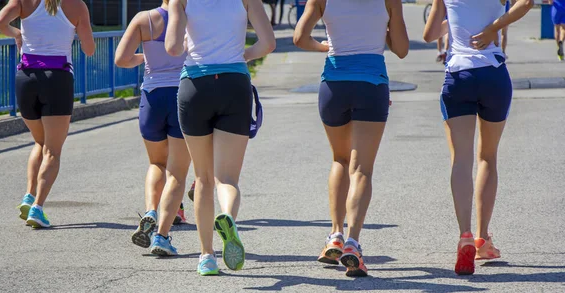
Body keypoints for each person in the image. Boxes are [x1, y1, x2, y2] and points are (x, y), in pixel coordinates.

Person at [294, 0, 408, 277]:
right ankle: (353, 244)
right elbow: (402, 49)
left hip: (334, 83)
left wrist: (325, 47)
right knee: (361, 169)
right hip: (371, 83)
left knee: (340, 160)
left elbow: (299, 38)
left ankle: (335, 235)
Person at [424, 0, 533, 275]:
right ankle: (482, 238)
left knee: (461, 160)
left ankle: (464, 235)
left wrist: (455, 22)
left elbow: (429, 35)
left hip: (458, 75)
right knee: (488, 157)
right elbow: (527, 3)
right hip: (493, 74)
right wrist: (492, 28)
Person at [166, 0, 275, 276]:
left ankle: (206, 256)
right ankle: (227, 215)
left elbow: (173, 48)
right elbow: (268, 44)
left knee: (202, 179)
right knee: (226, 178)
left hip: (195, 85)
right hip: (234, 84)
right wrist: (242, 56)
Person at [0, 0, 95, 228]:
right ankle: (37, 209)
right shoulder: (76, 5)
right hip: (57, 78)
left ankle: (29, 196)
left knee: (40, 142)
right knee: (52, 150)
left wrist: (17, 33)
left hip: (26, 78)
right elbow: (89, 49)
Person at [114, 0, 189, 254]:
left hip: (152, 97)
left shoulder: (143, 19)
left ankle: (150, 211)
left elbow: (121, 59)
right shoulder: (192, 19)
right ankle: (161, 236)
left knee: (157, 163)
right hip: (183, 94)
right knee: (177, 172)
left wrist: (145, 55)